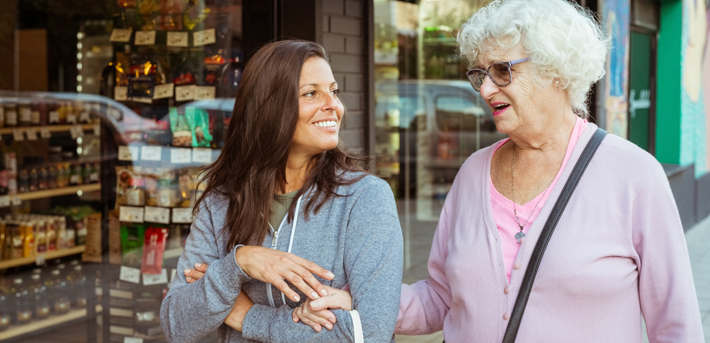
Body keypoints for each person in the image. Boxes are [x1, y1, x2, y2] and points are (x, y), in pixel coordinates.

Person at [188, 0, 706, 341]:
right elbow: (438, 299)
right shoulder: (473, 174)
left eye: (502, 70)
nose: (484, 89)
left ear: (556, 70)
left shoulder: (633, 176)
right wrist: (359, 301)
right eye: (479, 73)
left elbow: (676, 326)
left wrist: (247, 314)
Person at [160, 40, 404, 343]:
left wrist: (246, 315)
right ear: (269, 106)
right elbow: (176, 325)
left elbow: (370, 332)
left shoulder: (365, 198)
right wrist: (238, 264)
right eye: (311, 93)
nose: (334, 105)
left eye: (334, 91)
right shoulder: (221, 203)